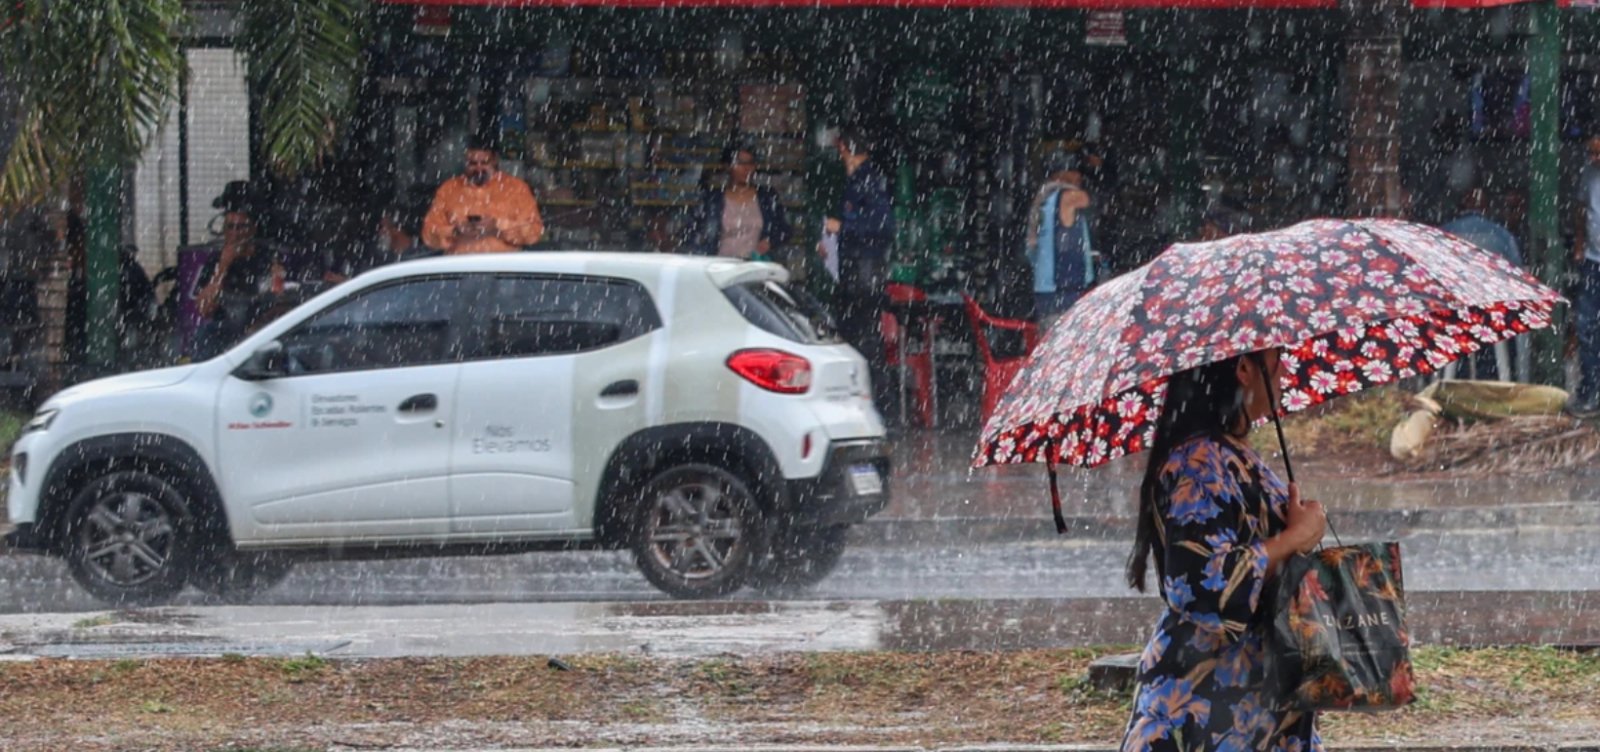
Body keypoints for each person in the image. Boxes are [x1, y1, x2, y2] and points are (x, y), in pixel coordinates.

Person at [1121, 349, 1328, 752]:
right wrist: (1294, 539)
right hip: (1206, 707)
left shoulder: (1230, 451)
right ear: (1244, 369)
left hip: (1251, 705)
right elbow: (1202, 586)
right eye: (1276, 359)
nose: (1285, 368)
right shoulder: (1197, 464)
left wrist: (1292, 529)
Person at [818, 126, 895, 416]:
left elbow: (884, 226)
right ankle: (868, 404)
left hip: (864, 273)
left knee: (863, 339)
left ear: (843, 149)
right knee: (860, 338)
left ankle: (875, 405)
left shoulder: (867, 180)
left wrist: (844, 228)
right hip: (857, 270)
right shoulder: (859, 180)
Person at [192, 182, 298, 359]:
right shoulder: (216, 260)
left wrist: (258, 324)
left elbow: (285, 303)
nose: (235, 233)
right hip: (224, 331)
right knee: (206, 333)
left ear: (252, 229)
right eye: (229, 227)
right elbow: (205, 309)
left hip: (262, 330)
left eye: (241, 227)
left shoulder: (269, 257)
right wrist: (223, 267)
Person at [422, 138, 544, 254]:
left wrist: (498, 227)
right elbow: (428, 234)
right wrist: (455, 231)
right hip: (460, 267)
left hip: (505, 267)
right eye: (473, 163)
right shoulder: (448, 189)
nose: (478, 168)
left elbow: (534, 232)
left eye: (484, 163)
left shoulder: (516, 188)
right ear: (465, 163)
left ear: (494, 161)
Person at [1025, 154, 1097, 324]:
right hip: (1064, 290)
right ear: (1061, 174)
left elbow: (1031, 251)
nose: (1079, 177)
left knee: (1050, 342)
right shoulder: (1068, 196)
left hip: (1045, 289)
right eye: (1075, 172)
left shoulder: (1044, 198)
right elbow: (1091, 201)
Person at [685, 146, 791, 260]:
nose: (746, 168)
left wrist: (769, 242)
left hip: (756, 264)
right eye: (740, 163)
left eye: (750, 163)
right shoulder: (713, 200)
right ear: (728, 167)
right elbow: (693, 233)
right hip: (721, 264)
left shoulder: (767, 197)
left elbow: (784, 230)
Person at [328, 190, 439, 282]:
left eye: (383, 227)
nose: (380, 233)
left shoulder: (422, 259)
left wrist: (348, 286)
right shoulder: (383, 259)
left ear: (396, 229)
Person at [1572, 135, 1600, 416]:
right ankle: (1591, 388)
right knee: (1586, 325)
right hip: (1593, 259)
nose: (1593, 158)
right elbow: (1581, 209)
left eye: (1597, 154)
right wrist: (1579, 243)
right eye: (1590, 153)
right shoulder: (1589, 173)